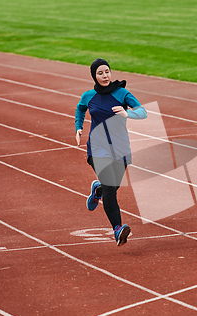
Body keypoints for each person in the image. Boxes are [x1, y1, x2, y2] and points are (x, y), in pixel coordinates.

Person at [75, 58, 147, 246]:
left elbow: (142, 112)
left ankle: (97, 189)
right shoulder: (88, 96)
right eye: (100, 73)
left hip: (120, 149)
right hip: (97, 149)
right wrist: (78, 127)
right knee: (110, 190)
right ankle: (117, 228)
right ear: (94, 76)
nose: (105, 76)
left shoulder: (122, 94)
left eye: (107, 71)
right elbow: (80, 108)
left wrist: (127, 113)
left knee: (111, 187)